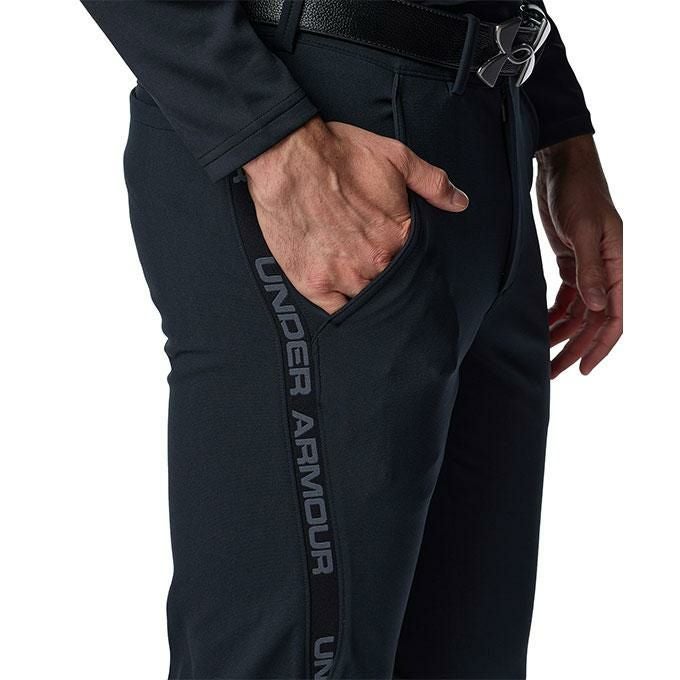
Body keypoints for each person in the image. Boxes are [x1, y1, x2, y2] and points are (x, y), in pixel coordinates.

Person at [81, 1, 623, 678]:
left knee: (473, 652)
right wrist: (270, 136)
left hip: (491, 131)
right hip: (316, 124)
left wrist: (561, 128)